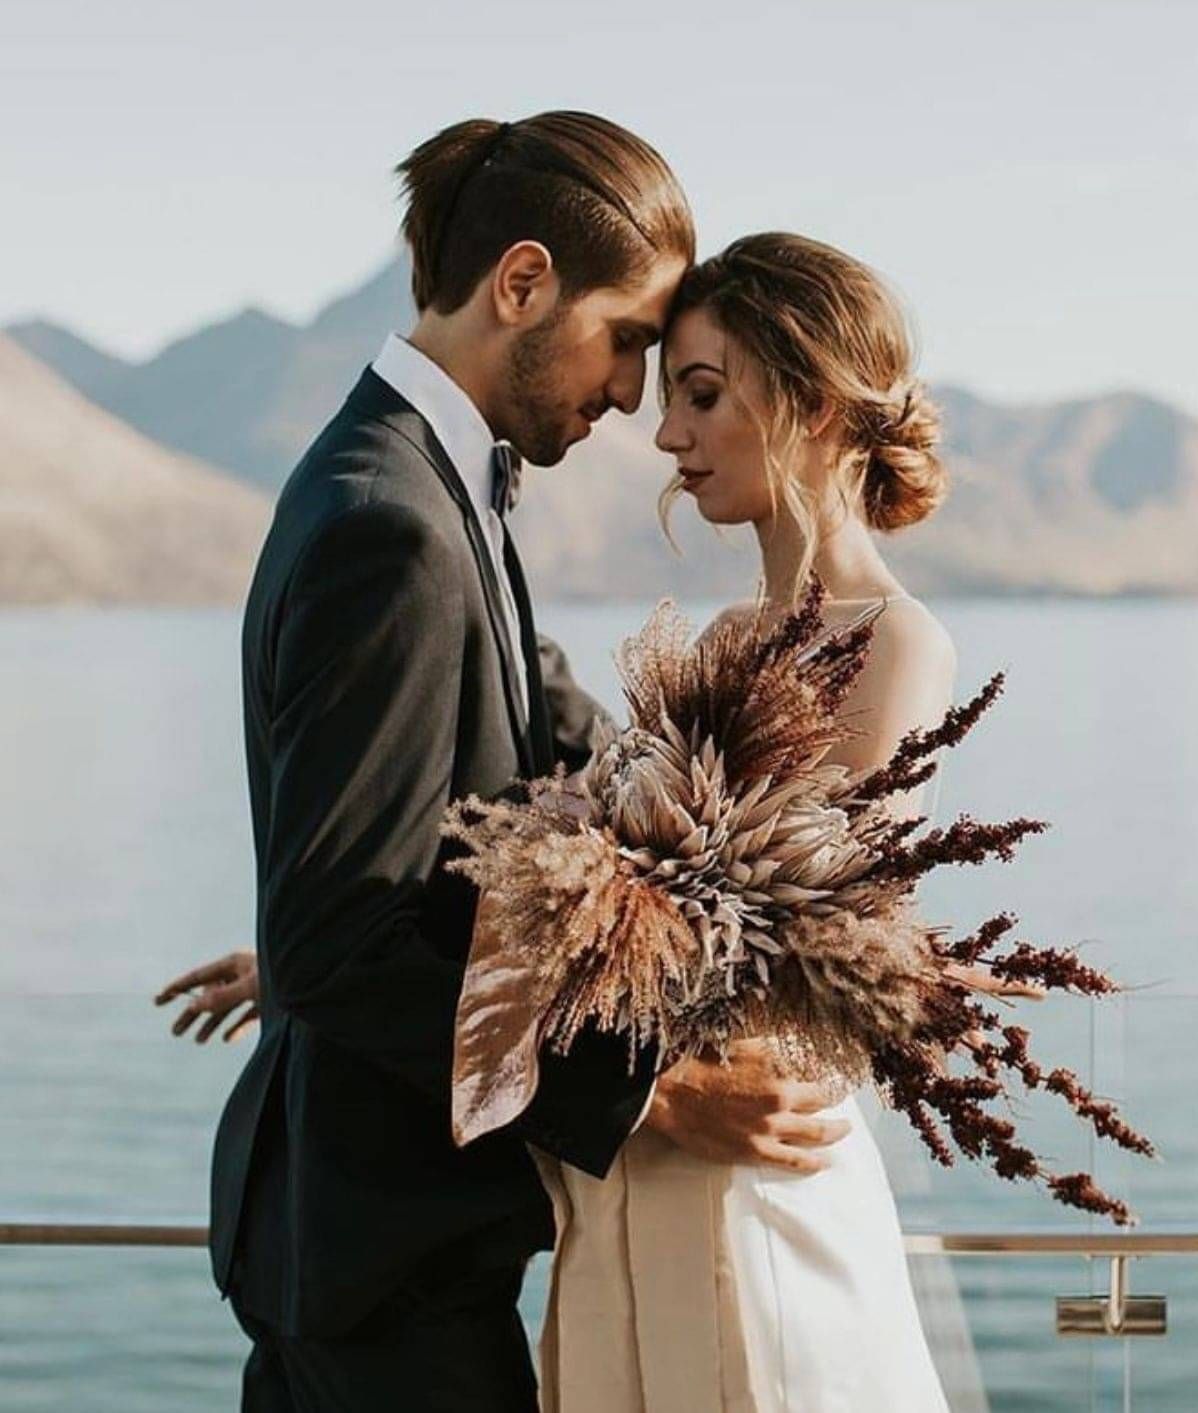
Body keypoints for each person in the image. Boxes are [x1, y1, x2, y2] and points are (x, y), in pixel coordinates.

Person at [166, 116, 851, 1413]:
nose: (632, 396)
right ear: (522, 284)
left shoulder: (430, 487)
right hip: (377, 1269)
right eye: (630, 339)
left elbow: (550, 758)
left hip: (378, 1248)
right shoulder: (392, 524)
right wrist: (644, 1102)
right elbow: (338, 945)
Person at [527, 232, 974, 1411]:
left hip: (759, 1167)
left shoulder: (898, 644)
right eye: (672, 397)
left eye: (703, 395)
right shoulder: (718, 641)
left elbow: (811, 948)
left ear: (817, 403)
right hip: (638, 1170)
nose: (668, 436)